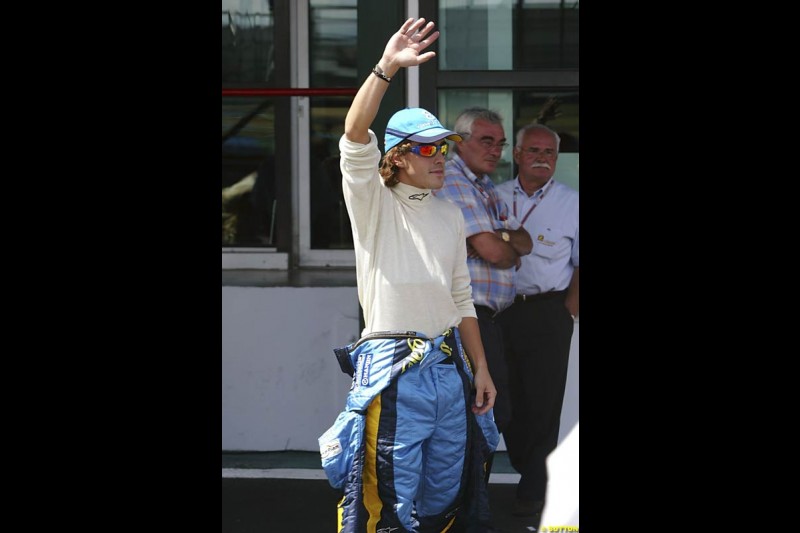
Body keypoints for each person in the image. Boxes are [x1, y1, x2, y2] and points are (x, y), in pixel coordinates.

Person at [317, 17, 500, 533]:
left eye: (444, 147)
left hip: (450, 366)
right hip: (393, 367)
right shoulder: (373, 200)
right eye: (428, 148)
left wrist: (481, 369)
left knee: (446, 496)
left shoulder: (449, 213)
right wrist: (386, 67)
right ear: (397, 158)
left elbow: (461, 299)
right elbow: (354, 136)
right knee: (384, 499)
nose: (441, 157)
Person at [432, 107, 532, 479]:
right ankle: (465, 506)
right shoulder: (454, 179)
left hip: (492, 317)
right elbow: (497, 254)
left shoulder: (485, 186)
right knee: (481, 412)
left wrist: (499, 239)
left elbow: (523, 242)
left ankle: (470, 502)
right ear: (461, 142)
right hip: (467, 316)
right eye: (486, 141)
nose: (495, 151)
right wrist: (499, 244)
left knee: (490, 412)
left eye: (500, 144)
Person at [495, 122, 579, 518]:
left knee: (544, 404)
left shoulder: (572, 202)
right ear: (518, 154)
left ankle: (533, 493)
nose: (542, 158)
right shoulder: (494, 196)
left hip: (549, 311)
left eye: (549, 153)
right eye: (534, 151)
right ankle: (525, 464)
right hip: (501, 311)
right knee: (503, 401)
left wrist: (570, 307)